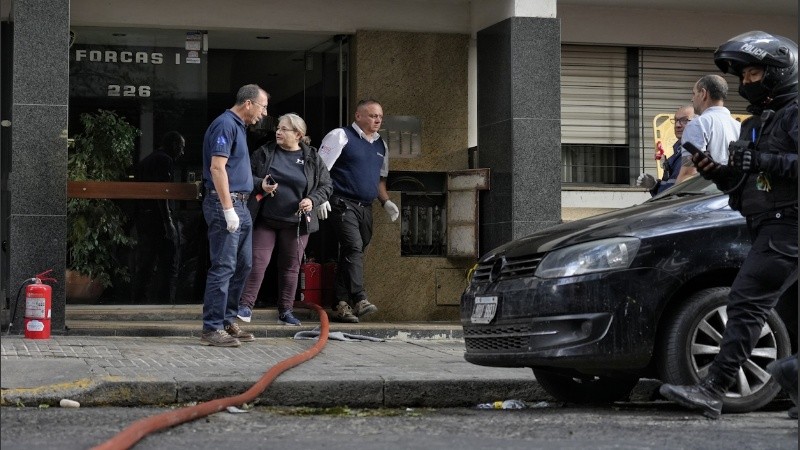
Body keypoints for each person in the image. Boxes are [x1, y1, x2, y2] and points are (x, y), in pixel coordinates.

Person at [659, 30, 798, 420]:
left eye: (754, 75)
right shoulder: (754, 124)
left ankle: (713, 389)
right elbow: (745, 184)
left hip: (787, 226)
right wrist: (717, 173)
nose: (745, 83)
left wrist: (765, 162)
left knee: (746, 303)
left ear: (779, 72)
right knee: (787, 314)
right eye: (743, 77)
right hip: (763, 224)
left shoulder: (793, 114)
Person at [236, 113, 332, 326]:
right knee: (258, 262)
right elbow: (244, 176)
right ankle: (245, 306)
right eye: (278, 128)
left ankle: (286, 311)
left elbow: (327, 186)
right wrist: (261, 184)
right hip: (266, 218)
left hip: (297, 222)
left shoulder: (312, 157)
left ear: (298, 134)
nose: (278, 132)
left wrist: (311, 200)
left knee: (290, 267)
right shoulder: (265, 152)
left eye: (284, 129)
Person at [317, 99, 399, 323]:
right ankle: (359, 298)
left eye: (380, 116)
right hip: (341, 202)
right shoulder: (340, 136)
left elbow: (380, 180)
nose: (378, 119)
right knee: (353, 247)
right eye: (372, 115)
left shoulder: (381, 145)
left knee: (353, 254)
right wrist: (320, 197)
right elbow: (320, 168)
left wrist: (386, 202)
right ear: (358, 116)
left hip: (366, 206)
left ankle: (340, 303)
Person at [200, 84, 269, 347]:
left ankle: (227, 321)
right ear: (249, 103)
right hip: (225, 205)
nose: (263, 114)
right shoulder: (225, 125)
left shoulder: (238, 126)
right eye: (263, 107)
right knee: (224, 266)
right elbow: (217, 169)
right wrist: (228, 209)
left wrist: (259, 184)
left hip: (242, 204)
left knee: (243, 265)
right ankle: (212, 328)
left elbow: (233, 170)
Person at [133, 131, 185, 303]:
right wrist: (168, 222)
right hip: (158, 220)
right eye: (181, 147)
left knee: (146, 264)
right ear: (174, 145)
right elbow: (162, 192)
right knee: (170, 265)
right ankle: (166, 303)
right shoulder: (164, 160)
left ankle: (139, 301)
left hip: (145, 219)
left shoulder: (148, 160)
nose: (182, 153)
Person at [675, 74, 741, 184]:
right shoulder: (738, 126)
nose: (692, 99)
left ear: (703, 94)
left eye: (694, 93)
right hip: (730, 194)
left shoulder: (698, 124)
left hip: (705, 196)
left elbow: (688, 174)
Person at [637, 105, 695, 195]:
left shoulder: (693, 151)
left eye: (684, 120)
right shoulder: (678, 151)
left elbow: (678, 190)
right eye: (676, 120)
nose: (677, 125)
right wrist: (654, 186)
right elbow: (670, 188)